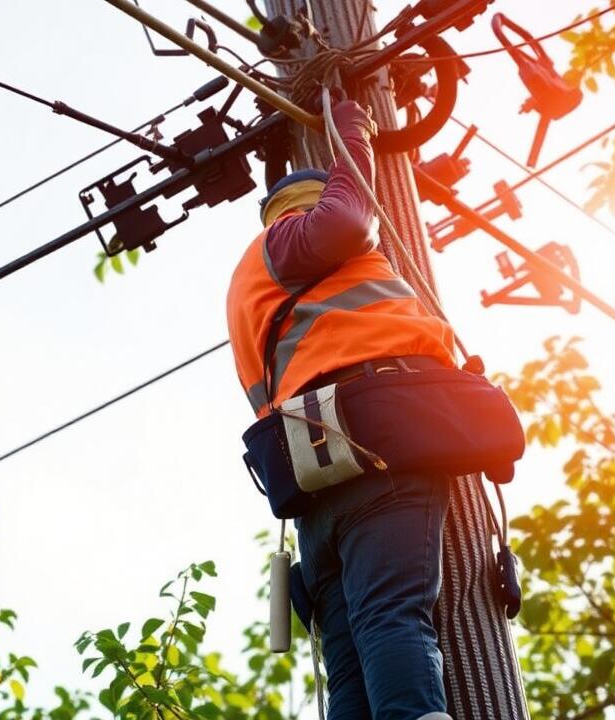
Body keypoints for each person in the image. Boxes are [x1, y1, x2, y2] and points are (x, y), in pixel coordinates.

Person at [225, 99, 457, 719]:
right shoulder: (288, 240)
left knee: (351, 660)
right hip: (376, 441)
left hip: (319, 488)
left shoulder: (249, 300)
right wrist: (353, 136)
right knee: (392, 614)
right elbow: (351, 221)